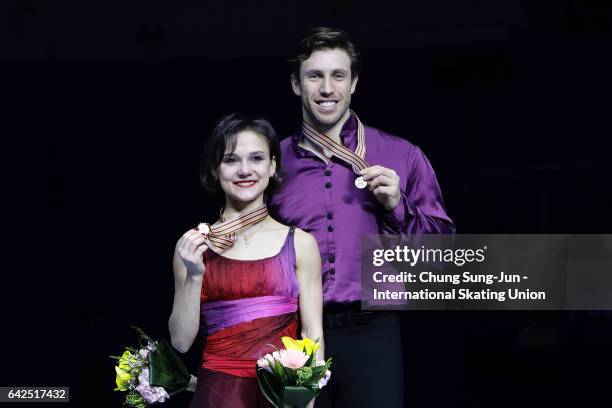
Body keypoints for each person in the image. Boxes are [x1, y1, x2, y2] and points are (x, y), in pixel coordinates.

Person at [268, 27, 455, 407]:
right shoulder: (272, 164)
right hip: (293, 336)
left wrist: (398, 207)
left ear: (353, 84)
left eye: (338, 75)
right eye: (314, 76)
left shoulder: (401, 154)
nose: (326, 88)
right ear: (295, 84)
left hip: (375, 337)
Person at [168, 113, 324, 408]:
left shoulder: (301, 243)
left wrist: (307, 397)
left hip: (280, 396)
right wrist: (193, 275)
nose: (244, 170)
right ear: (215, 169)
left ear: (272, 165)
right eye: (230, 160)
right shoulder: (192, 246)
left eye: (256, 158)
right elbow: (180, 341)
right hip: (217, 395)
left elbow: (312, 333)